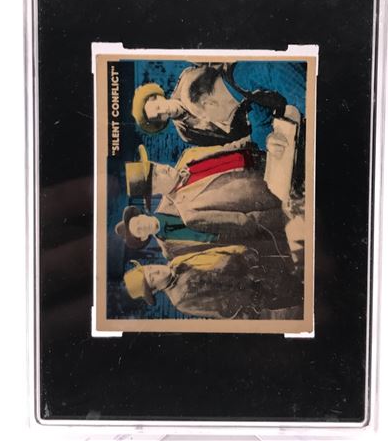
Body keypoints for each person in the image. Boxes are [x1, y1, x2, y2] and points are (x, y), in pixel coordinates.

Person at [123, 144, 292, 258]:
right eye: (156, 175)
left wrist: (266, 144)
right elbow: (244, 223)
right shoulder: (190, 214)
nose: (163, 168)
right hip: (282, 198)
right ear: (154, 192)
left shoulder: (189, 157)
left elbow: (232, 147)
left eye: (156, 166)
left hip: (276, 158)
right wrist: (286, 212)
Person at [122, 244, 302, 319]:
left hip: (257, 261)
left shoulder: (175, 262)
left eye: (149, 268)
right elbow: (227, 306)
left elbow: (214, 252)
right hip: (265, 288)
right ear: (155, 290)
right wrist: (255, 281)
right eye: (152, 277)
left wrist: (241, 250)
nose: (156, 270)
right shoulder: (181, 299)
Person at [131, 62, 286, 146]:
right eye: (159, 116)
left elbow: (222, 78)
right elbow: (226, 141)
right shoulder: (186, 135)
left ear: (158, 97)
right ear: (161, 122)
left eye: (158, 107)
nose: (164, 111)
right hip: (254, 129)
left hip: (246, 98)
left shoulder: (187, 78)